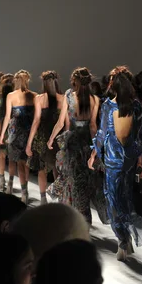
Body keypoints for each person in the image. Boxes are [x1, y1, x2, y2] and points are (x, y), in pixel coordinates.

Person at [88, 66, 142, 261]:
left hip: (114, 160)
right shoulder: (136, 106)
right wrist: (138, 157)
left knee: (114, 200)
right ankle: (125, 239)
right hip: (128, 159)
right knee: (124, 198)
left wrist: (93, 153)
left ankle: (123, 240)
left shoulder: (108, 105)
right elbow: (140, 136)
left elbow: (103, 133)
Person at [47, 67, 100, 223]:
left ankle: (67, 217)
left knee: (69, 180)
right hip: (86, 144)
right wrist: (95, 150)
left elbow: (62, 122)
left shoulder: (69, 96)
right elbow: (92, 126)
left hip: (71, 143)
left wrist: (51, 139)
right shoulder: (95, 99)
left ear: (75, 80)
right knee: (82, 182)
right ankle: (83, 221)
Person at [26, 71, 64, 205]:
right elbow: (66, 122)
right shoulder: (63, 98)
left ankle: (43, 199)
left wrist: (29, 143)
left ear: (44, 83)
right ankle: (60, 200)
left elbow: (36, 121)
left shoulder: (39, 98)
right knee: (57, 169)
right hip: (58, 138)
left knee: (42, 169)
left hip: (42, 137)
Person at [0, 70, 36, 203]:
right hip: (29, 133)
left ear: (16, 80)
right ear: (28, 80)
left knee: (16, 162)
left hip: (15, 133)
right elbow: (37, 118)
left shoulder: (11, 96)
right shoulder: (34, 96)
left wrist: (2, 134)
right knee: (26, 164)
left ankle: (23, 192)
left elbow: (8, 117)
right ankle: (24, 191)